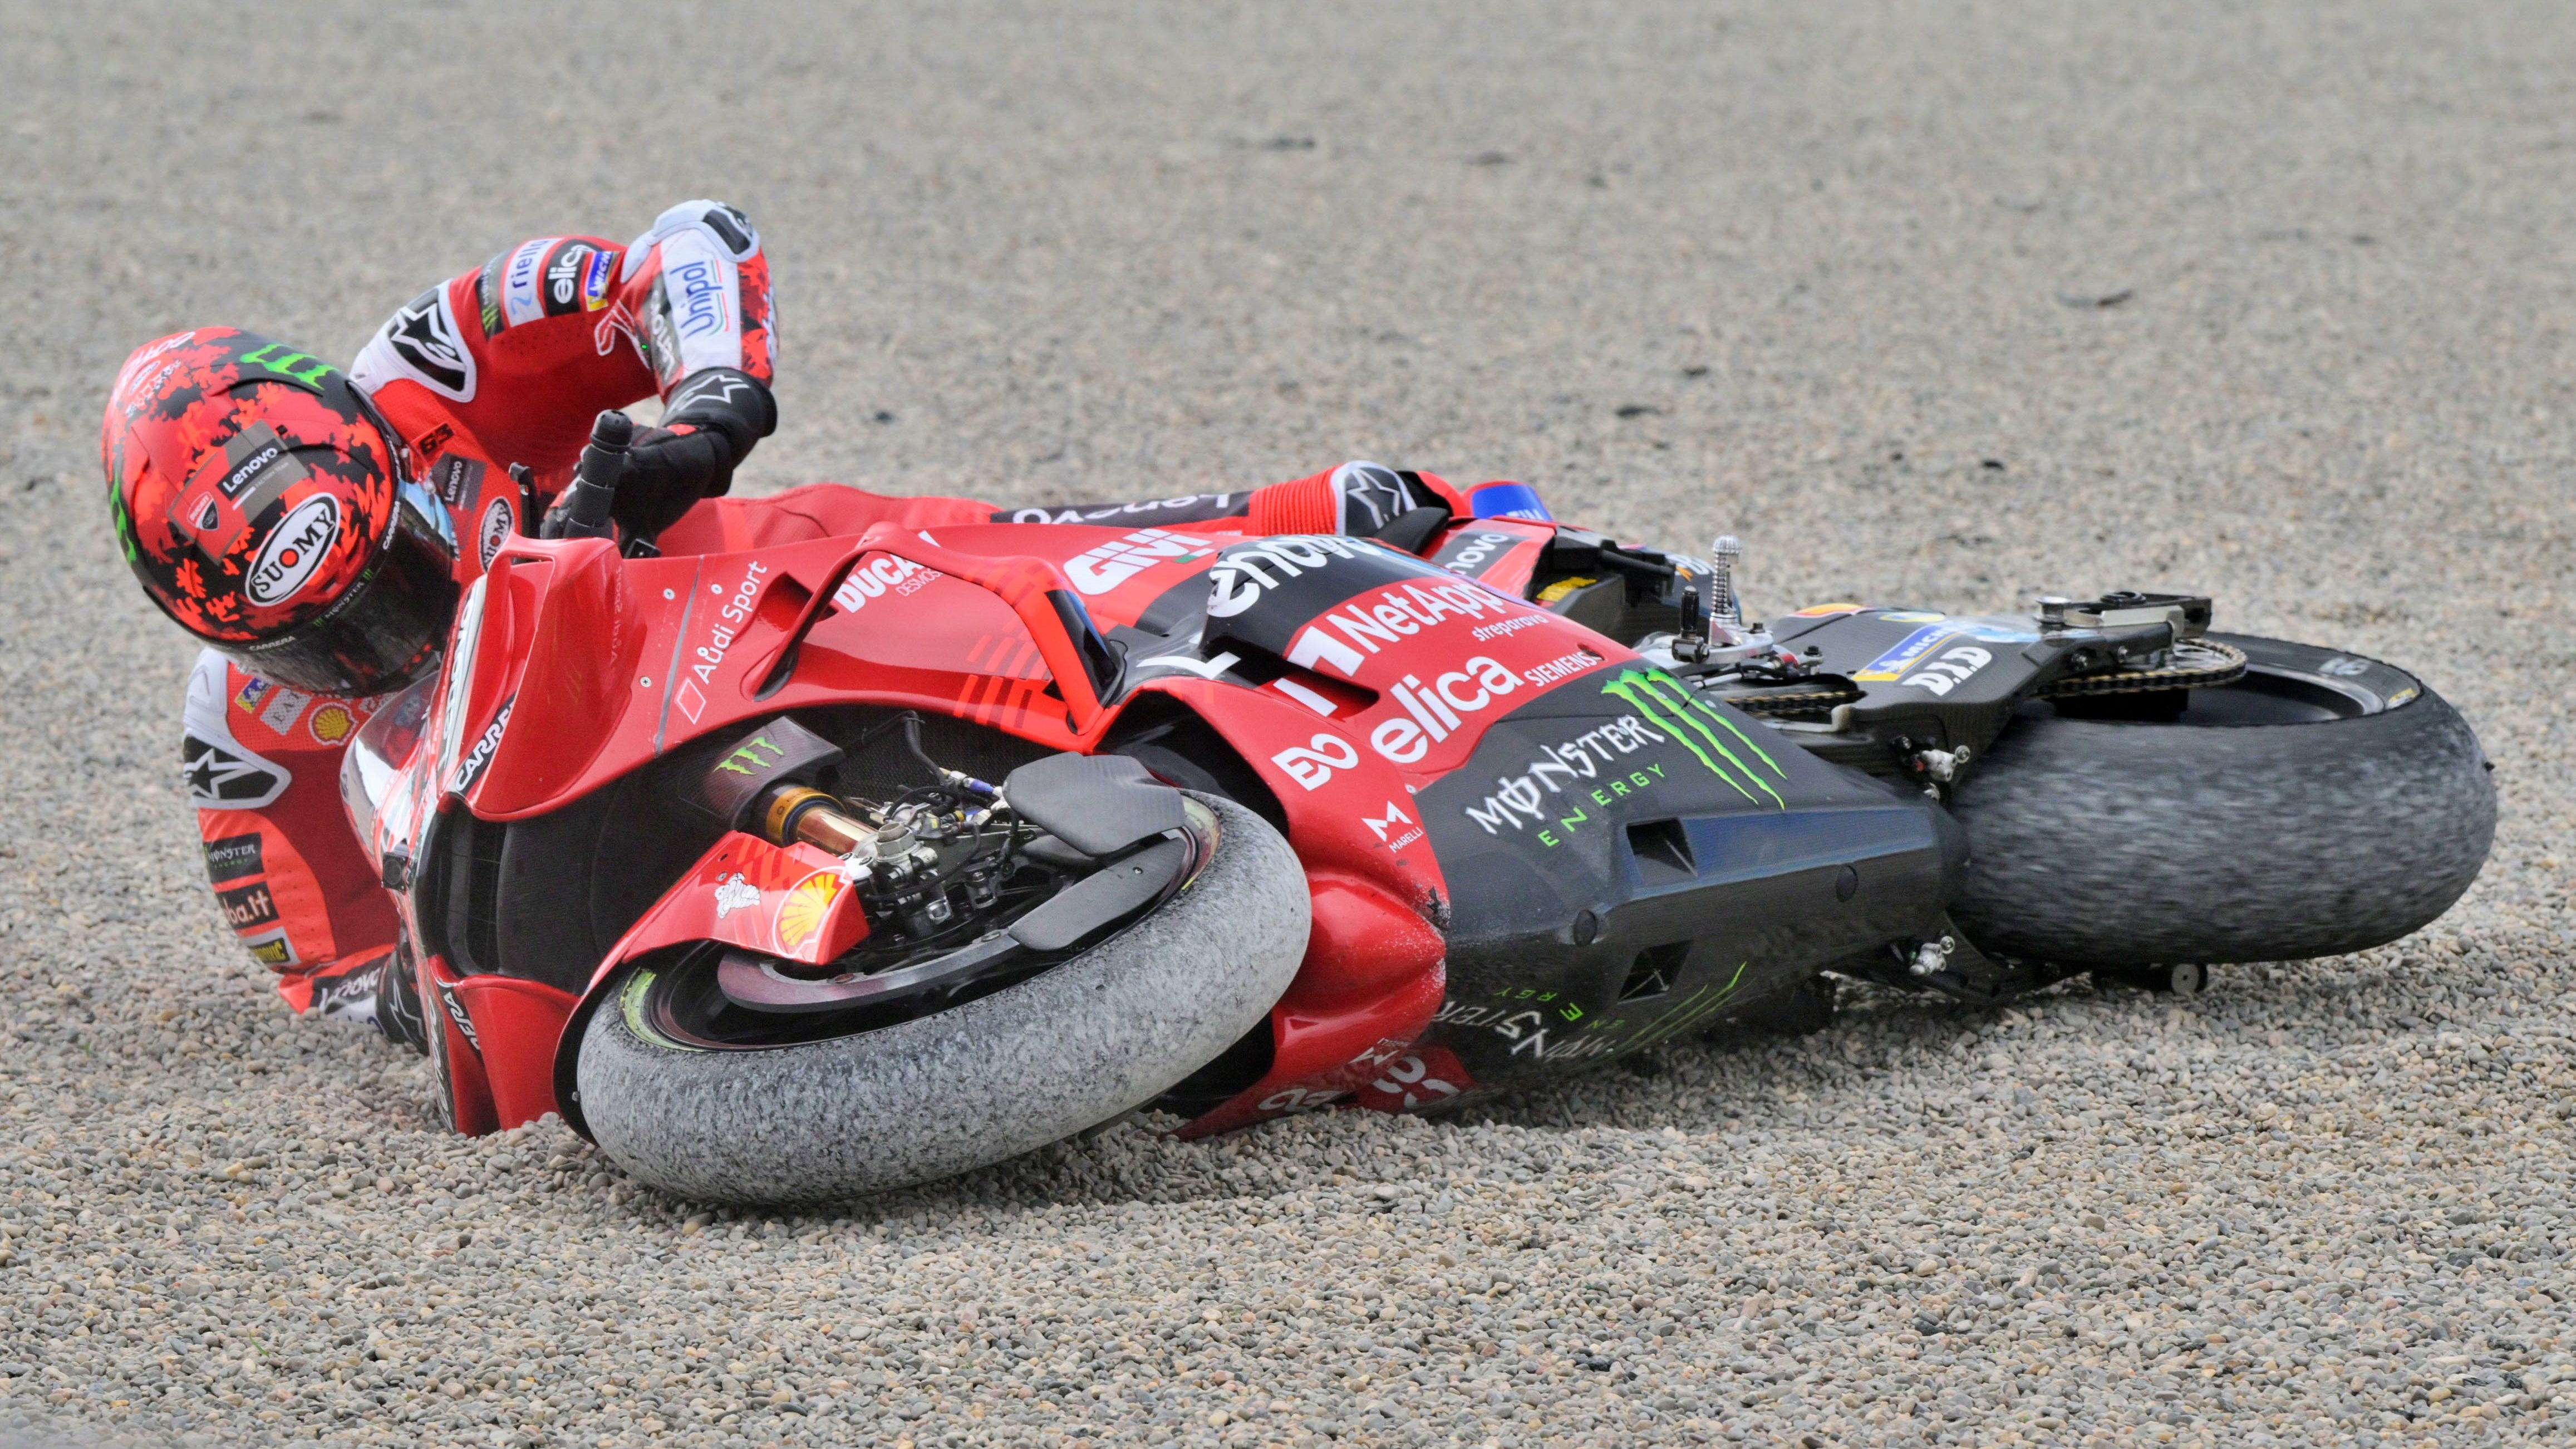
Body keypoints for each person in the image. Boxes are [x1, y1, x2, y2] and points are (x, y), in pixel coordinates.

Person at [101, 202, 1467, 1049]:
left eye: (390, 575)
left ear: (384, 465)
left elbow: (693, 242)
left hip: (744, 594)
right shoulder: (244, 743)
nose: (375, 637)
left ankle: (1361, 529)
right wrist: (395, 996)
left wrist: (707, 414)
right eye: (314, 638)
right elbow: (326, 978)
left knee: (1050, 563)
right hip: (584, 807)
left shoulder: (432, 363)